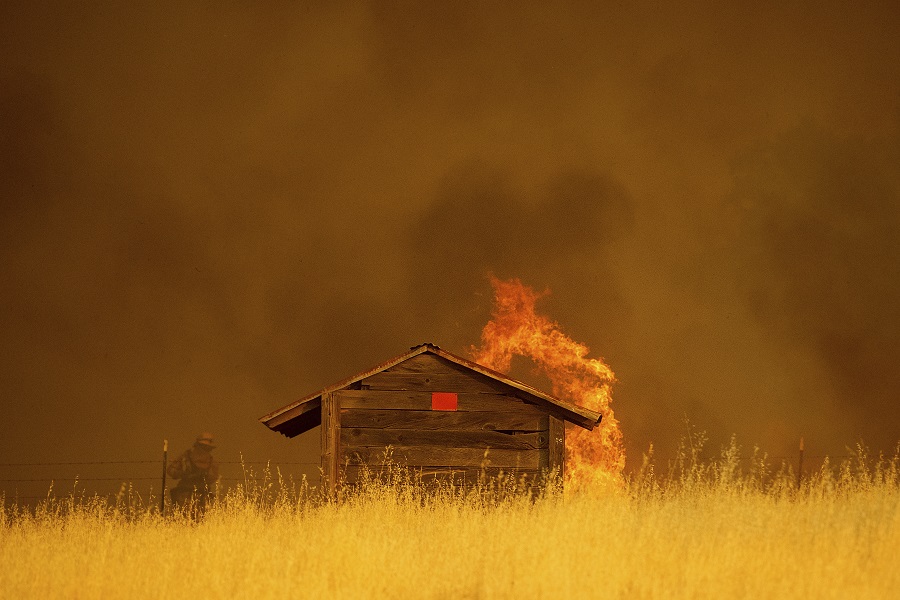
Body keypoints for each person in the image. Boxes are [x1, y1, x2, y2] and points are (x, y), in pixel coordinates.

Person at [167, 432, 220, 516]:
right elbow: (171, 471)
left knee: (199, 522)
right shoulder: (185, 457)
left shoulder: (211, 461)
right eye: (204, 447)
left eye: (207, 448)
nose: (205, 450)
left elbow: (213, 477)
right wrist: (183, 474)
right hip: (184, 494)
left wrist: (203, 478)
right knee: (184, 520)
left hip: (202, 495)